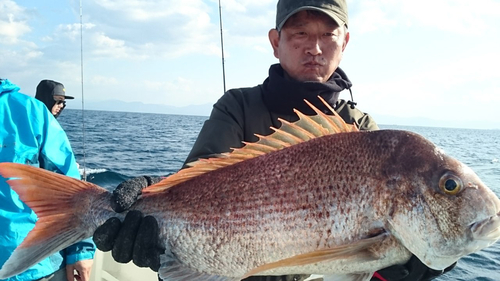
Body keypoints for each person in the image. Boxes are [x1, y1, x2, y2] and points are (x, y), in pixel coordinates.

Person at [92, 0, 456, 280]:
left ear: (344, 42)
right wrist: (155, 193)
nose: (314, 47)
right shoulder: (238, 105)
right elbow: (197, 178)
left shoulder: (360, 129)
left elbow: (366, 257)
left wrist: (408, 265)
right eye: (300, 33)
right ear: (275, 41)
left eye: (327, 34)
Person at [0, 78, 95, 281]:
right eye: (58, 101)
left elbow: (73, 191)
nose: (62, 106)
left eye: (63, 102)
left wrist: (80, 249)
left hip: (32, 265)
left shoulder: (32, 112)